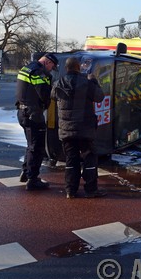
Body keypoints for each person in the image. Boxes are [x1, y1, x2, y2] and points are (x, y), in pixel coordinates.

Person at [51, 57, 106, 199]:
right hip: (85, 129)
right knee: (89, 158)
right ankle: (91, 190)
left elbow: (52, 96)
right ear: (79, 67)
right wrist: (94, 81)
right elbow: (99, 97)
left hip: (66, 130)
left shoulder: (58, 84)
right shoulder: (87, 83)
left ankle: (70, 190)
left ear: (66, 68)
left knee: (71, 160)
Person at [16, 53, 58, 190]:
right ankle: (33, 180)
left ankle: (26, 172)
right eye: (52, 66)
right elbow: (44, 94)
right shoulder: (38, 72)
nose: (52, 70)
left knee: (30, 144)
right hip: (33, 114)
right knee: (37, 147)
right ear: (47, 62)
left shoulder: (26, 68)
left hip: (22, 112)